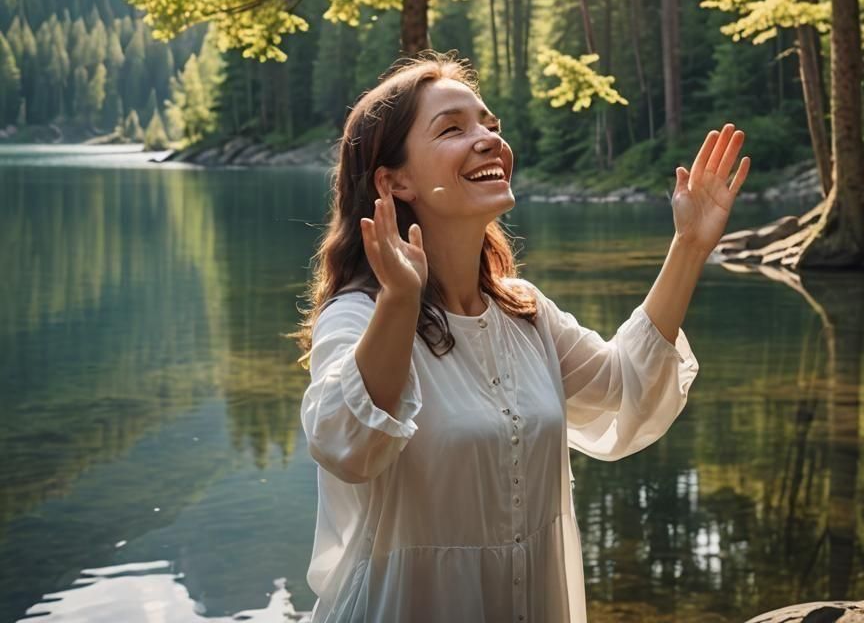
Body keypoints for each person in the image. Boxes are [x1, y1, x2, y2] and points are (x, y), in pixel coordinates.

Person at [293, 51, 750, 623]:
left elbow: (625, 386)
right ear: (395, 181)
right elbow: (347, 446)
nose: (488, 139)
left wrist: (689, 246)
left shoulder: (524, 312)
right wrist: (401, 302)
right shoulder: (357, 316)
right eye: (453, 129)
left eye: (490, 124)